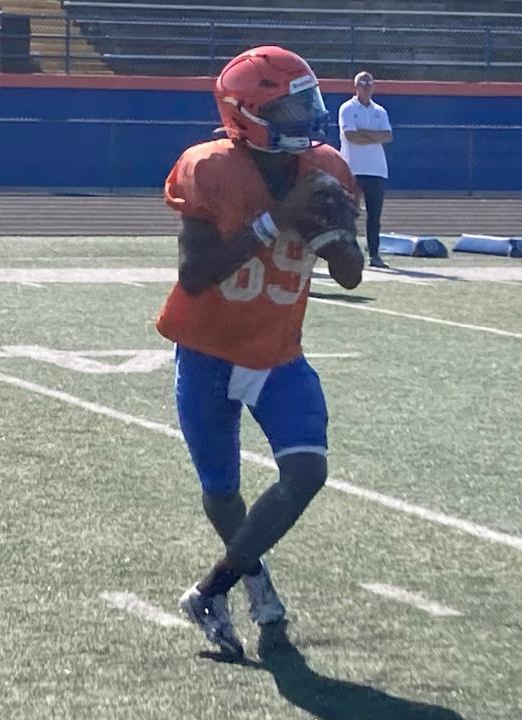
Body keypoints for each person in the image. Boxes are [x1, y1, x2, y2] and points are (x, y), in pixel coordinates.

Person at [157, 46, 364, 658]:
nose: (308, 114)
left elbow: (350, 275)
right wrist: (277, 222)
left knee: (308, 472)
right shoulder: (210, 167)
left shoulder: (324, 168)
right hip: (208, 352)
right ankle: (252, 574)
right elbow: (195, 274)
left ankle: (210, 588)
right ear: (249, 113)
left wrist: (334, 229)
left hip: (278, 353)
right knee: (222, 492)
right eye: (291, 104)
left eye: (309, 100)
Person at [338, 71, 393, 269]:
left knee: (374, 215)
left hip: (376, 169)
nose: (366, 88)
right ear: (356, 86)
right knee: (348, 212)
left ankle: (375, 255)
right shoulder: (347, 108)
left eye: (369, 84)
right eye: (363, 84)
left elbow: (387, 136)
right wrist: (374, 136)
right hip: (352, 167)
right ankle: (348, 253)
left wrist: (365, 134)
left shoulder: (380, 111)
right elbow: (351, 136)